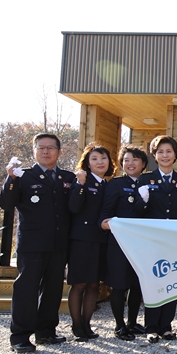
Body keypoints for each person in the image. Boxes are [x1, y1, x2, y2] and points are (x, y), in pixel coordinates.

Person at [0, 133, 76, 353]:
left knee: (53, 289)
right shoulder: (22, 176)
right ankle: (20, 336)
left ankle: (46, 331)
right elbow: (6, 204)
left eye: (51, 148)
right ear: (34, 151)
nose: (46, 151)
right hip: (32, 243)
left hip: (58, 242)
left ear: (58, 152)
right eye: (41, 147)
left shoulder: (67, 177)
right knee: (26, 290)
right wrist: (10, 179)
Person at [135, 135, 177, 343]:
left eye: (169, 151)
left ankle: (166, 326)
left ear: (175, 155)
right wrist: (142, 200)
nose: (165, 155)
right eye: (160, 152)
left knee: (172, 282)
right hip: (152, 240)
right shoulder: (145, 180)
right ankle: (151, 327)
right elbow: (137, 212)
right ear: (154, 155)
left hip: (174, 241)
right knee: (153, 282)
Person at [100, 145, 149, 341]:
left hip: (142, 243)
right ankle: (119, 325)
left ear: (143, 164)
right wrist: (104, 223)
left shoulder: (149, 182)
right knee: (119, 285)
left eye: (135, 160)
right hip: (119, 243)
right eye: (126, 160)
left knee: (137, 284)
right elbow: (106, 211)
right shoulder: (116, 184)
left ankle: (132, 322)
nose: (130, 164)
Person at [67, 143, 114, 341]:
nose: (99, 162)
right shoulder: (82, 181)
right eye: (94, 159)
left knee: (94, 284)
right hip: (81, 239)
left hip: (101, 239)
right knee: (79, 284)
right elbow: (73, 207)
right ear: (87, 163)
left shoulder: (108, 184)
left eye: (103, 158)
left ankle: (87, 324)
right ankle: (77, 325)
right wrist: (80, 184)